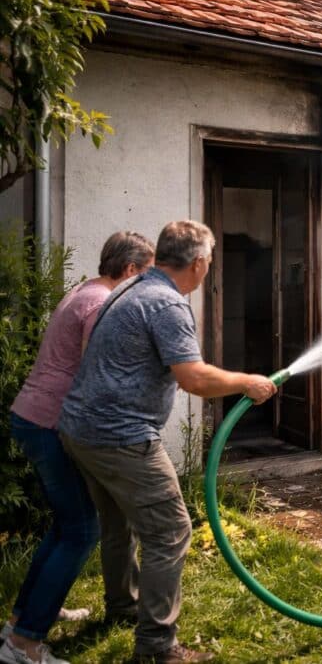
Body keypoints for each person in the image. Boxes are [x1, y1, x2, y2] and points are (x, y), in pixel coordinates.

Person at [57, 221, 278, 664]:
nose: (209, 270)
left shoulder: (130, 288)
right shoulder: (166, 304)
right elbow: (193, 378)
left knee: (117, 523)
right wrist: (246, 382)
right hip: (121, 437)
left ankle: (123, 607)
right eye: (209, 262)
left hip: (81, 430)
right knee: (171, 532)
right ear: (197, 263)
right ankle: (157, 648)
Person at [2, 232, 155, 664]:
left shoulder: (83, 292)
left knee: (66, 525)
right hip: (51, 424)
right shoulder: (101, 305)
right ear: (129, 271)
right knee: (82, 530)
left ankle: (22, 620)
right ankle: (25, 644)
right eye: (145, 275)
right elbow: (97, 372)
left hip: (33, 418)